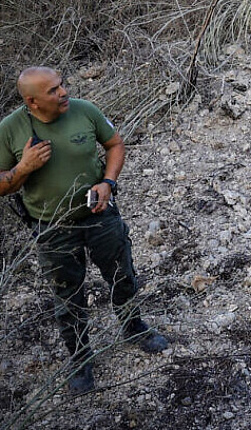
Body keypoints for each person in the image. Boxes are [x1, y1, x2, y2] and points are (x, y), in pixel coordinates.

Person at [0, 67, 168, 395]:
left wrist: (108, 183)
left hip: (100, 215)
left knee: (123, 274)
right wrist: (24, 167)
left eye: (62, 85)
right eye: (52, 90)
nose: (63, 92)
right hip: (52, 228)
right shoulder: (9, 130)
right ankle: (80, 359)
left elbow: (115, 144)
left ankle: (134, 327)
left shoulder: (85, 111)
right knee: (68, 297)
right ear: (31, 101)